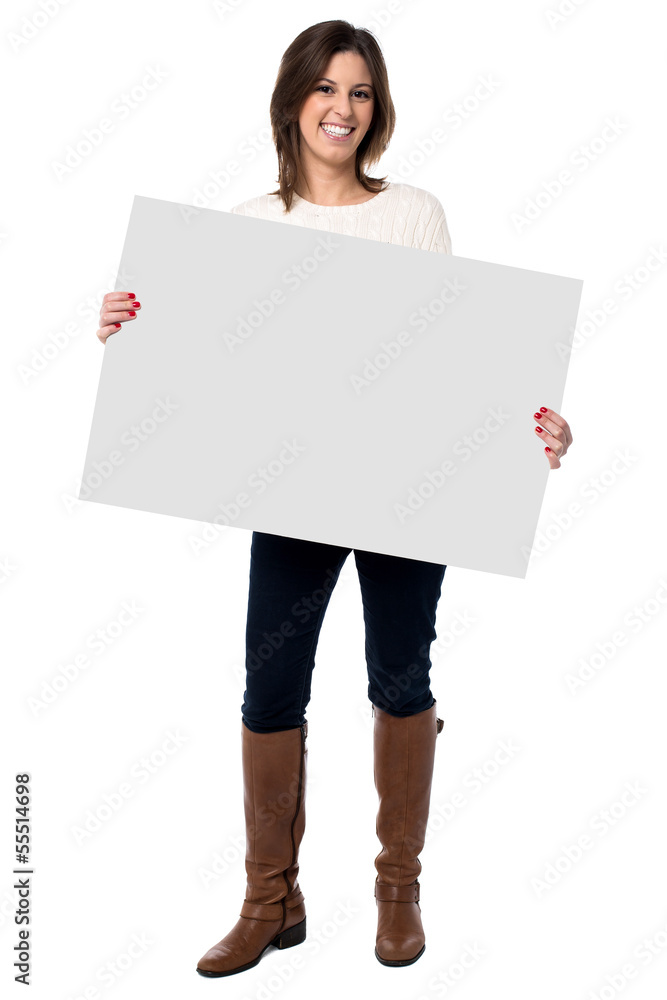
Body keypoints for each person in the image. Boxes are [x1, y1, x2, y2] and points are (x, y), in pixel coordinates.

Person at [96, 19, 573, 977]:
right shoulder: (247, 222)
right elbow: (202, 371)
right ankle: (270, 900)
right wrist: (129, 337)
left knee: (400, 680)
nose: (342, 109)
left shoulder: (416, 215)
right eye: (326, 90)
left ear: (375, 107)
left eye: (359, 92)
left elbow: (462, 363)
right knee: (269, 688)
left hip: (407, 492)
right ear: (293, 102)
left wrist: (536, 427)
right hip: (291, 491)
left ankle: (398, 889)